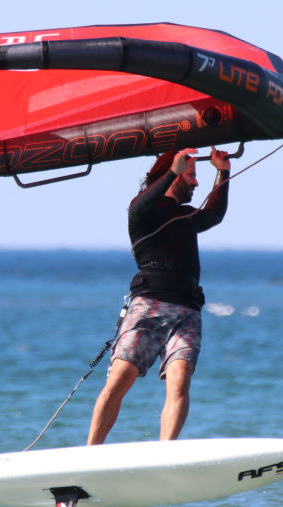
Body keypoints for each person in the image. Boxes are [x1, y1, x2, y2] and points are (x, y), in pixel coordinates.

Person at [87, 146, 231, 445]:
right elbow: (140, 205)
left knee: (180, 382)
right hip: (149, 306)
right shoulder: (144, 214)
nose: (195, 183)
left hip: (188, 311)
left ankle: (166, 452)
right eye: (191, 176)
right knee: (118, 381)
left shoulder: (185, 217)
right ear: (175, 174)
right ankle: (91, 452)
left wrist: (223, 172)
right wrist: (172, 172)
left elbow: (214, 214)